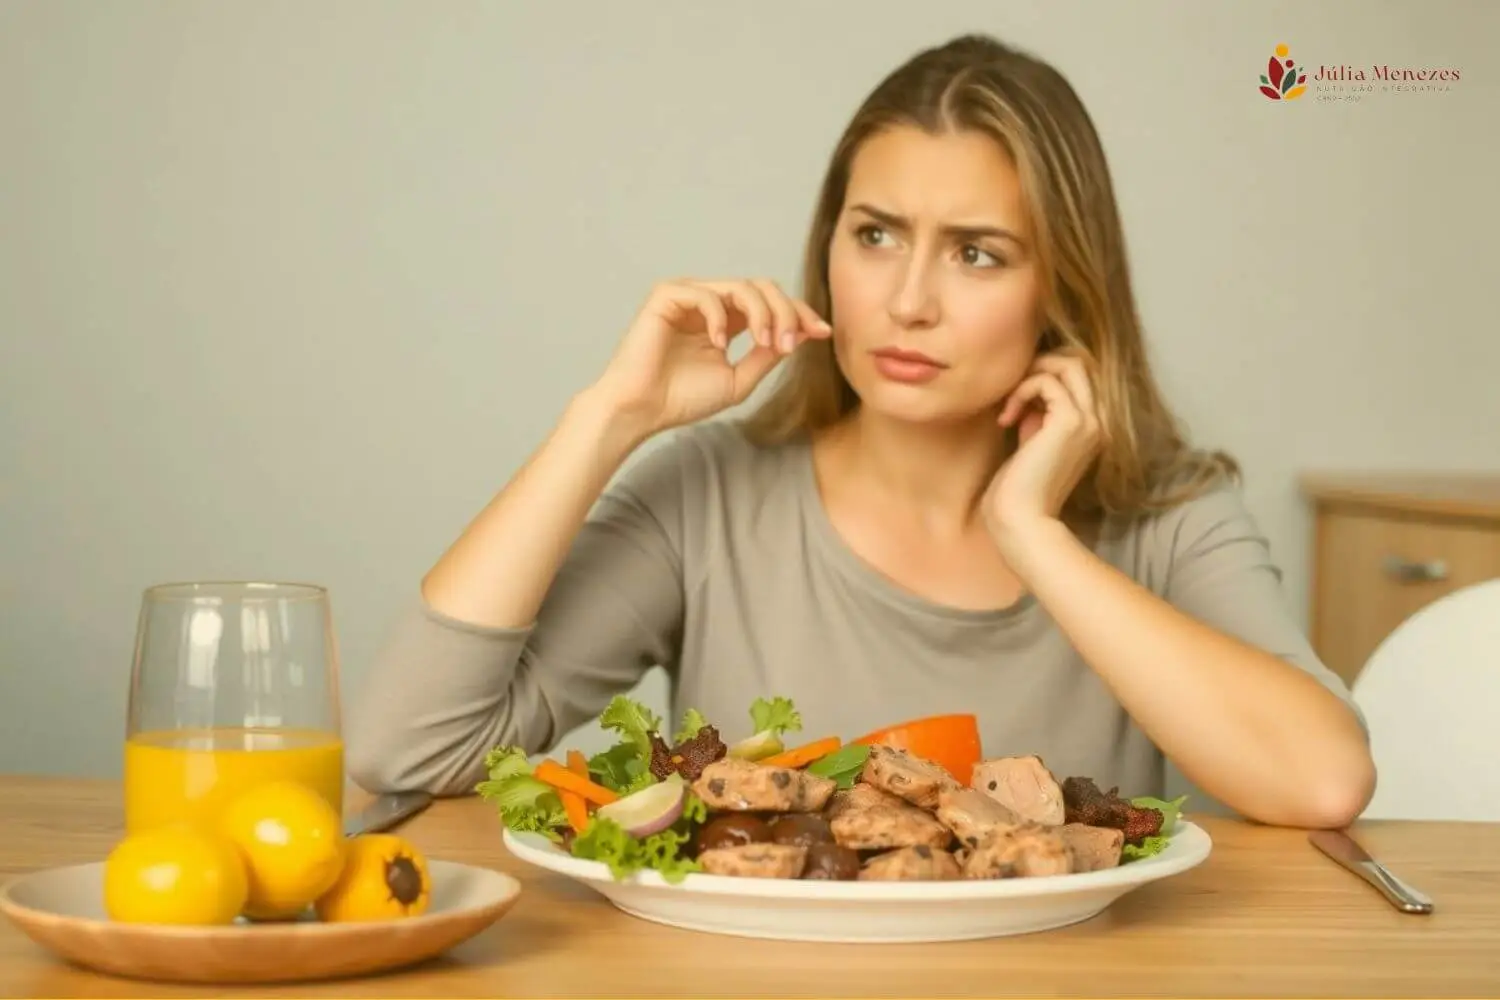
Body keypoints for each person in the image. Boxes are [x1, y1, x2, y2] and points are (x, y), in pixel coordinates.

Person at [346, 33, 1375, 829]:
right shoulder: (708, 494)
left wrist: (1033, 535)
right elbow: (405, 754)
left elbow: (1323, 777)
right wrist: (606, 420)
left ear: (1062, 289)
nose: (908, 300)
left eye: (976, 253)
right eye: (876, 235)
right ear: (827, 244)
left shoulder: (1171, 510)